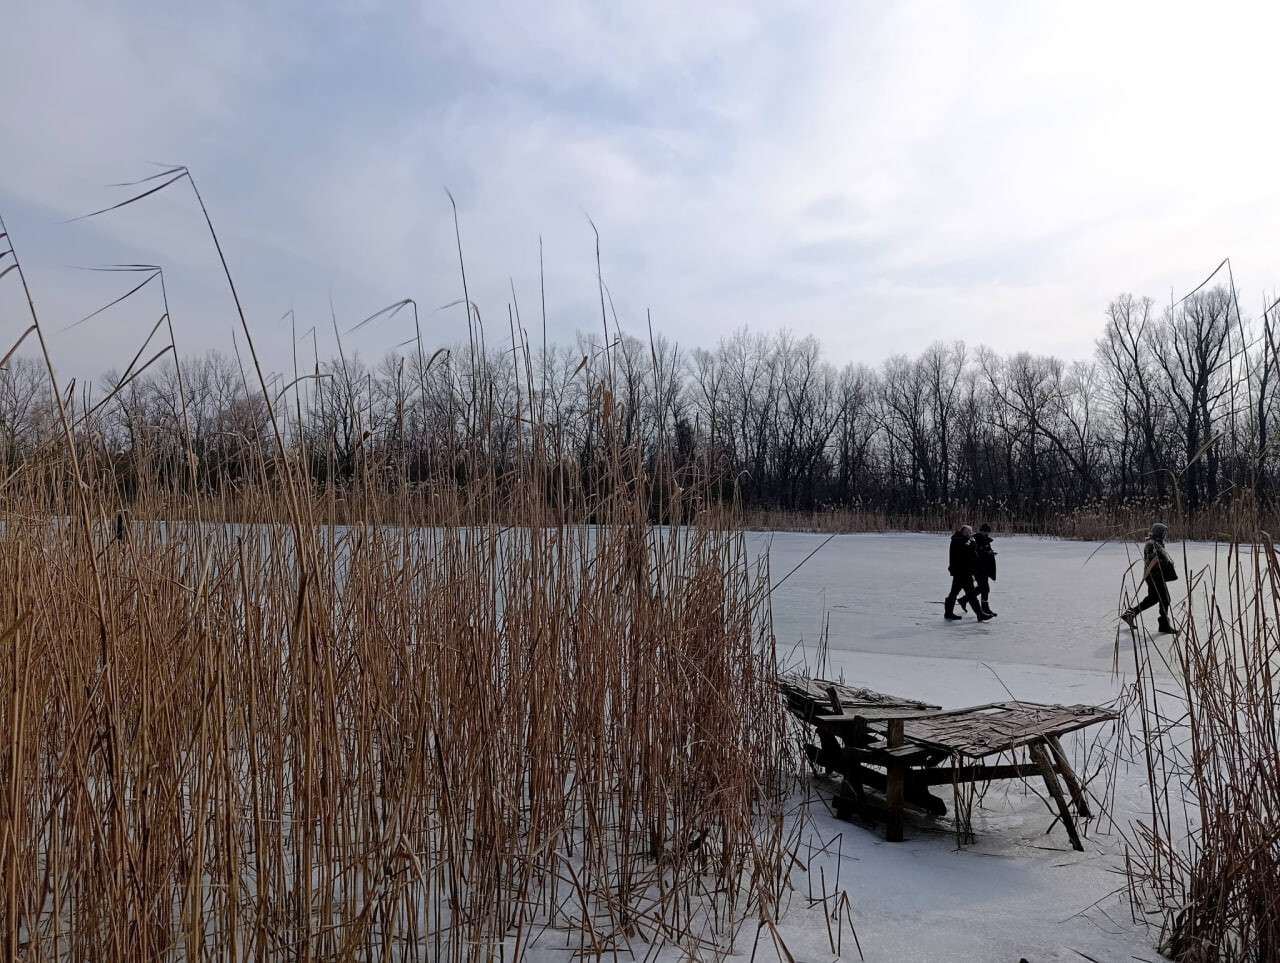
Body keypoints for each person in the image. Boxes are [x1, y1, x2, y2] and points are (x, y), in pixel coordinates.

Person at [1121, 522, 1177, 634]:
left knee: (1153, 598)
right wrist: (1164, 562)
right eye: (1163, 533)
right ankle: (1164, 625)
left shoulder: (1157, 543)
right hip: (1154, 576)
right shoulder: (1151, 544)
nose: (1165, 535)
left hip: (1155, 576)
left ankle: (1130, 614)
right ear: (1159, 533)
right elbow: (1152, 561)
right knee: (1165, 599)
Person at [945, 525, 990, 622]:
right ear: (963, 532)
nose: (970, 534)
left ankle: (948, 613)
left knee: (957, 593)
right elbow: (967, 550)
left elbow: (971, 552)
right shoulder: (958, 540)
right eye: (968, 532)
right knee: (969, 594)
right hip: (962, 571)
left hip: (963, 571)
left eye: (970, 532)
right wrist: (972, 542)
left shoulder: (963, 540)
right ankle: (980, 614)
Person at [972, 523, 998, 617]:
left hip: (985, 568)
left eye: (988, 532)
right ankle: (985, 608)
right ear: (981, 531)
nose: (987, 533)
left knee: (982, 588)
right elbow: (977, 554)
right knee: (985, 589)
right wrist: (988, 553)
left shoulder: (985, 540)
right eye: (985, 532)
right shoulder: (976, 540)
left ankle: (964, 600)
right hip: (979, 568)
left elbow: (985, 551)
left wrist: (990, 553)